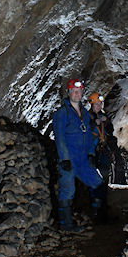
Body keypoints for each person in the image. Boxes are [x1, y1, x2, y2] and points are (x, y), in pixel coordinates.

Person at [52, 78, 103, 232]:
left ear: (82, 93)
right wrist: (64, 158)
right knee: (67, 189)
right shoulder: (62, 113)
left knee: (97, 182)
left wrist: (91, 153)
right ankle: (66, 224)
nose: (76, 93)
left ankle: (98, 217)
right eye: (73, 91)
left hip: (83, 159)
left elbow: (88, 136)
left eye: (79, 91)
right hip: (69, 158)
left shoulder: (86, 115)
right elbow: (59, 137)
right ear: (68, 93)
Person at [88, 92, 110, 222]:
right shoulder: (86, 116)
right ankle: (94, 212)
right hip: (90, 152)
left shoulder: (103, 116)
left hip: (102, 151)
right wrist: (92, 123)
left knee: (104, 181)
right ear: (92, 104)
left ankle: (103, 212)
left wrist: (106, 122)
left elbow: (110, 130)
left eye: (100, 103)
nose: (98, 106)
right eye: (96, 104)